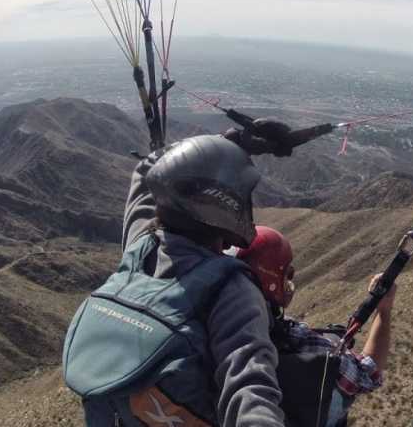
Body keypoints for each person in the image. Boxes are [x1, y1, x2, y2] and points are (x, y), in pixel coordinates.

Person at [64, 121, 299, 427]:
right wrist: (232, 146)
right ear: (227, 207)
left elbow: (148, 169)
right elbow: (249, 386)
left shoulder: (141, 248)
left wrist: (225, 145)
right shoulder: (232, 291)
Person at [234, 226, 395, 427]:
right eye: (286, 275)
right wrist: (383, 310)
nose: (288, 283)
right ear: (270, 280)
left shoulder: (203, 333)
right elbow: (368, 373)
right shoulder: (297, 344)